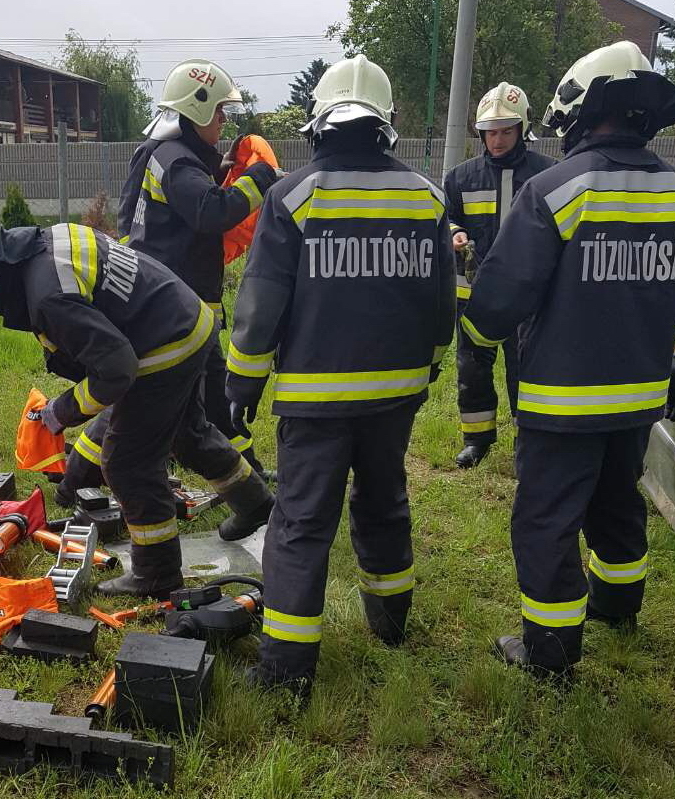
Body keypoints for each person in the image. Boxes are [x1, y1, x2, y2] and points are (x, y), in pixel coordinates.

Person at [226, 55, 455, 694]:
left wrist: (242, 385)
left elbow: (261, 304)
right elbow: (442, 305)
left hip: (315, 401)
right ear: (385, 123)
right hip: (396, 397)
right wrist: (429, 367)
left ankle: (286, 671)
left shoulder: (292, 197)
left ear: (319, 122)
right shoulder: (427, 197)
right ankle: (392, 621)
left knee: (302, 525)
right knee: (384, 502)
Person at [0, 214, 274, 599]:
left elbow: (116, 370)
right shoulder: (44, 244)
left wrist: (62, 411)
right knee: (187, 433)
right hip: (186, 321)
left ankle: (155, 573)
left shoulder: (48, 296)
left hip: (162, 346)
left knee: (127, 462)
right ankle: (255, 502)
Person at [460, 41, 675, 677]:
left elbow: (500, 295)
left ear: (577, 111)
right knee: (618, 500)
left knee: (545, 520)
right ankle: (617, 604)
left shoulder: (556, 189)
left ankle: (549, 651)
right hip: (641, 396)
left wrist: (470, 340)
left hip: (563, 399)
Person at [118, 60, 280, 512]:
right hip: (179, 305)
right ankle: (246, 487)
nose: (225, 121)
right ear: (197, 109)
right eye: (220, 112)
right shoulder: (175, 161)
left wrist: (221, 165)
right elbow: (211, 211)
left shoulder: (166, 153)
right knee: (185, 399)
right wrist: (258, 179)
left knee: (203, 396)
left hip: (172, 300)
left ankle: (248, 477)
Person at [443, 83, 557, 468]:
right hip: (474, 296)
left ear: (522, 128)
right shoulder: (460, 177)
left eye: (506, 130)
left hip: (528, 299)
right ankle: (477, 439)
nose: (497, 139)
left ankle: (530, 439)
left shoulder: (549, 174)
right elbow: (447, 218)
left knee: (526, 370)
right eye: (491, 131)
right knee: (472, 368)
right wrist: (454, 232)